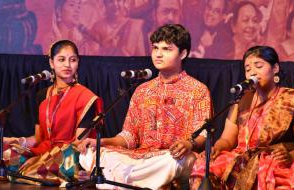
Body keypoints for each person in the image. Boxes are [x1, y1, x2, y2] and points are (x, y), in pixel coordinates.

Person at [79, 24, 212, 189]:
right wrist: (101, 142)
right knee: (92, 154)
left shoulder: (197, 90)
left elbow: (203, 136)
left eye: (166, 49)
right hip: (141, 158)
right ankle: (138, 182)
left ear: (183, 53)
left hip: (173, 157)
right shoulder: (142, 91)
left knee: (175, 161)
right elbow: (129, 136)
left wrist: (188, 144)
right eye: (155, 48)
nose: (158, 54)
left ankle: (122, 182)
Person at [190, 46, 294, 189]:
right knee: (205, 165)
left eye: (258, 66)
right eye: (248, 69)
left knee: (274, 172)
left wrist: (290, 156)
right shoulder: (241, 101)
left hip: (276, 159)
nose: (252, 72)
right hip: (241, 158)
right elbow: (227, 139)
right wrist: (217, 148)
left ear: (275, 68)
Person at [0, 40, 103, 186]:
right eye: (61, 59)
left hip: (66, 154)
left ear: (78, 63)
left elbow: (79, 143)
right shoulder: (42, 95)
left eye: (72, 60)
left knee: (66, 161)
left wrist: (54, 155)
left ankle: (16, 172)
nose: (67, 64)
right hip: (42, 152)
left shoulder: (86, 97)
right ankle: (29, 173)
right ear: (51, 63)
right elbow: (37, 138)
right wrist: (16, 140)